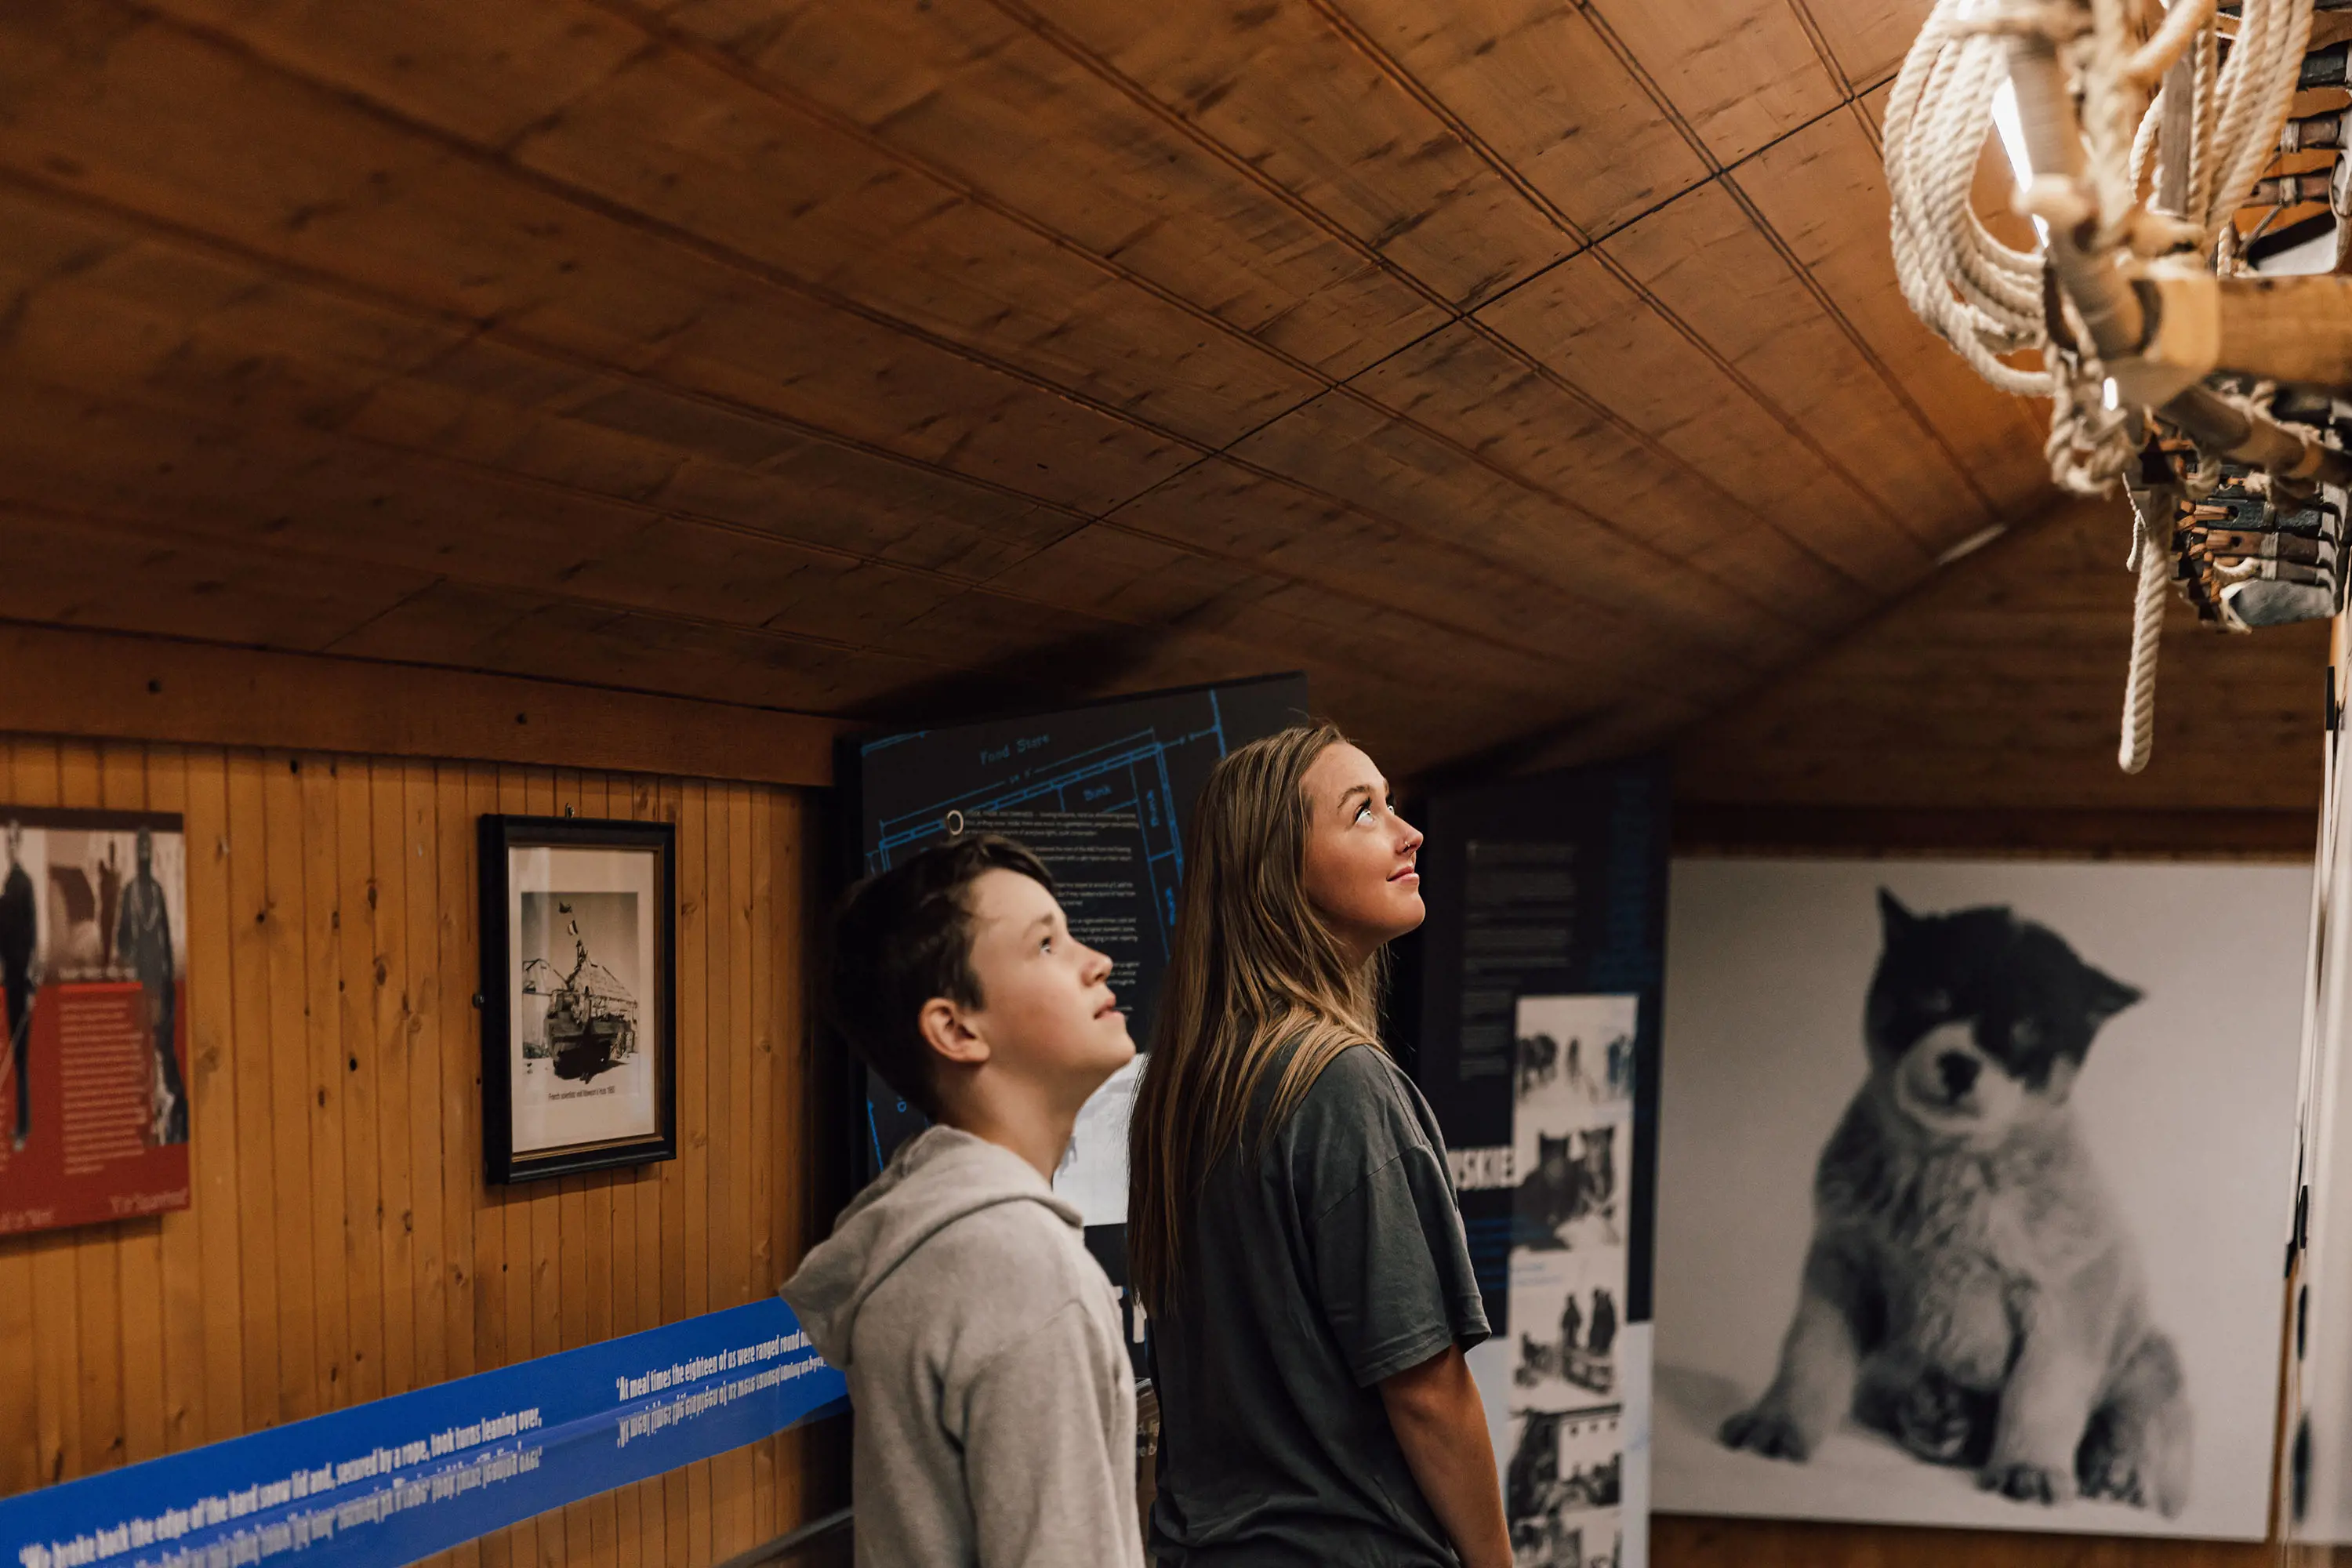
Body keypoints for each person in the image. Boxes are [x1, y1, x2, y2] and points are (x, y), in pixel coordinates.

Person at [1130, 723, 1510, 1567]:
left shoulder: (1192, 1086)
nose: (1408, 832)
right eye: (1363, 811)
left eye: (1392, 803)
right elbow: (1428, 1392)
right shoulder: (1342, 1086)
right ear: (1279, 874)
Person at [780, 834, 1145, 1568]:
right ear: (956, 1028)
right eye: (1046, 945)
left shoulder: (923, 1240)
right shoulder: (1029, 1272)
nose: (1094, 961)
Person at [115, 827, 187, 1145]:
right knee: (142, 1050)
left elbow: (167, 941)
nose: (144, 852)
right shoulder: (130, 893)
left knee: (162, 1048)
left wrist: (169, 981)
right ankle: (148, 1118)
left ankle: (173, 1113)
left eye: (148, 847)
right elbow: (121, 937)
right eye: (140, 846)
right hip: (139, 985)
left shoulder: (156, 891)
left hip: (159, 981)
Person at [1, 820, 34, 1152]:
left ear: (18, 844)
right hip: (9, 980)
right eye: (6, 841)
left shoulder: (24, 886)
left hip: (22, 982)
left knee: (21, 1058)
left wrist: (32, 985)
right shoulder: (7, 888)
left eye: (14, 841)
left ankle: (24, 1127)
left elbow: (33, 937)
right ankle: (21, 1124)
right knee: (15, 1051)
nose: (10, 847)